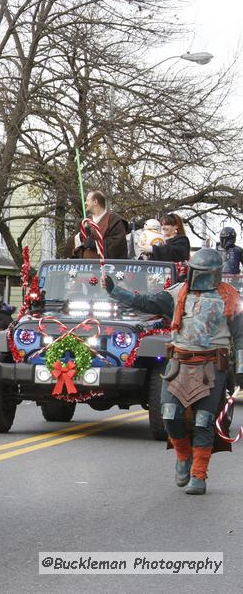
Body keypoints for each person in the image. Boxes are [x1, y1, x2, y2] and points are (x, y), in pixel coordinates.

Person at [105, 247, 241, 494]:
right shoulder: (179, 292)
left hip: (212, 365)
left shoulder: (231, 297)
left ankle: (199, 475)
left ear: (212, 274)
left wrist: (240, 369)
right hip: (178, 362)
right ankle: (182, 455)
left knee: (204, 420)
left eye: (198, 272)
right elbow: (146, 302)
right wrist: (115, 290)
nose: (193, 275)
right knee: (169, 413)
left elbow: (241, 336)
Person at [65, 190, 129, 259]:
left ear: (95, 202)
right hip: (84, 267)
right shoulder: (83, 222)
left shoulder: (114, 220)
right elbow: (69, 247)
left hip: (105, 267)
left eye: (87, 200)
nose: (85, 203)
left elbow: (118, 245)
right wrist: (80, 237)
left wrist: (95, 244)